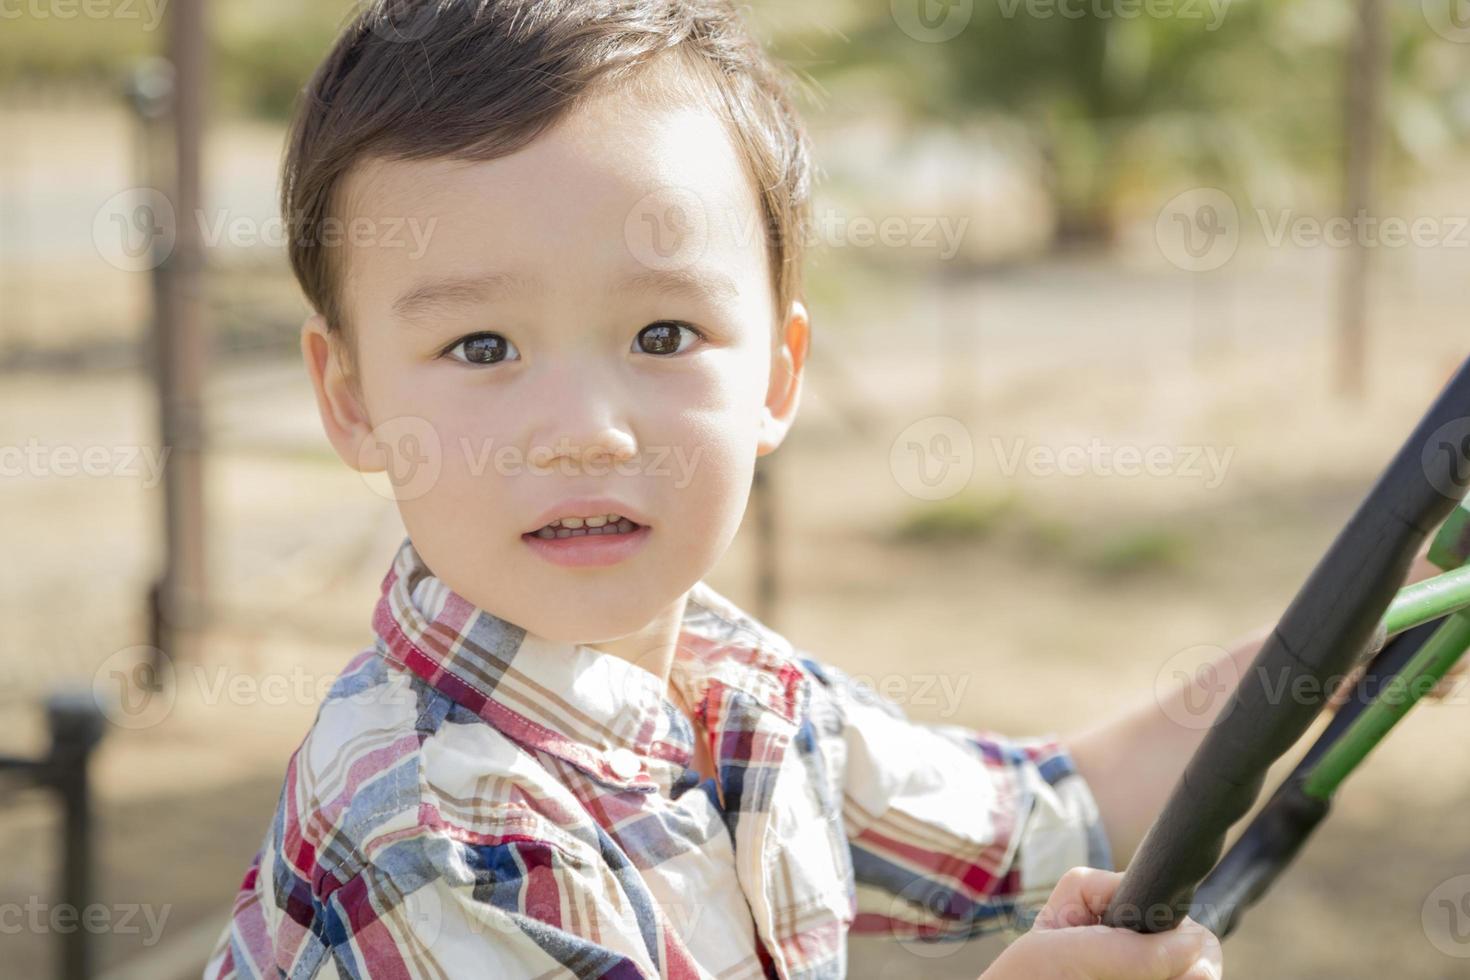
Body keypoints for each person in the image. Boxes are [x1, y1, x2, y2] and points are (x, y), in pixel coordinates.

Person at [202, 2, 1259, 976]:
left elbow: (1046, 818)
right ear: (351, 399)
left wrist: (1322, 655)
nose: (585, 431)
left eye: (663, 334)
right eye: (481, 345)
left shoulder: (739, 693)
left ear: (777, 373)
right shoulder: (441, 832)